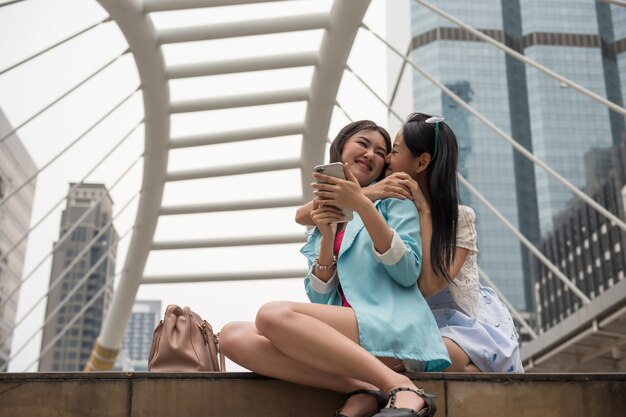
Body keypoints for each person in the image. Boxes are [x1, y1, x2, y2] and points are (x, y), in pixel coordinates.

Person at [219, 120, 450, 417]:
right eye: (363, 144)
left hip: (389, 327)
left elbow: (407, 272)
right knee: (232, 336)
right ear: (341, 149)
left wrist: (364, 205)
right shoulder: (323, 218)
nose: (371, 154)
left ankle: (401, 386)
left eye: (381, 151)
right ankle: (360, 388)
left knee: (271, 314)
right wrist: (327, 237)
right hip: (345, 338)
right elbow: (319, 299)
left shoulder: (393, 201)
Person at [304, 113, 523, 374]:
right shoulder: (387, 204)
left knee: (436, 364)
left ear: (421, 163)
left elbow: (428, 285)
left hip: (456, 322)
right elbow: (301, 215)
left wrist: (425, 213)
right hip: (407, 316)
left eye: (393, 151)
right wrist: (366, 195)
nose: (384, 159)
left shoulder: (459, 218)